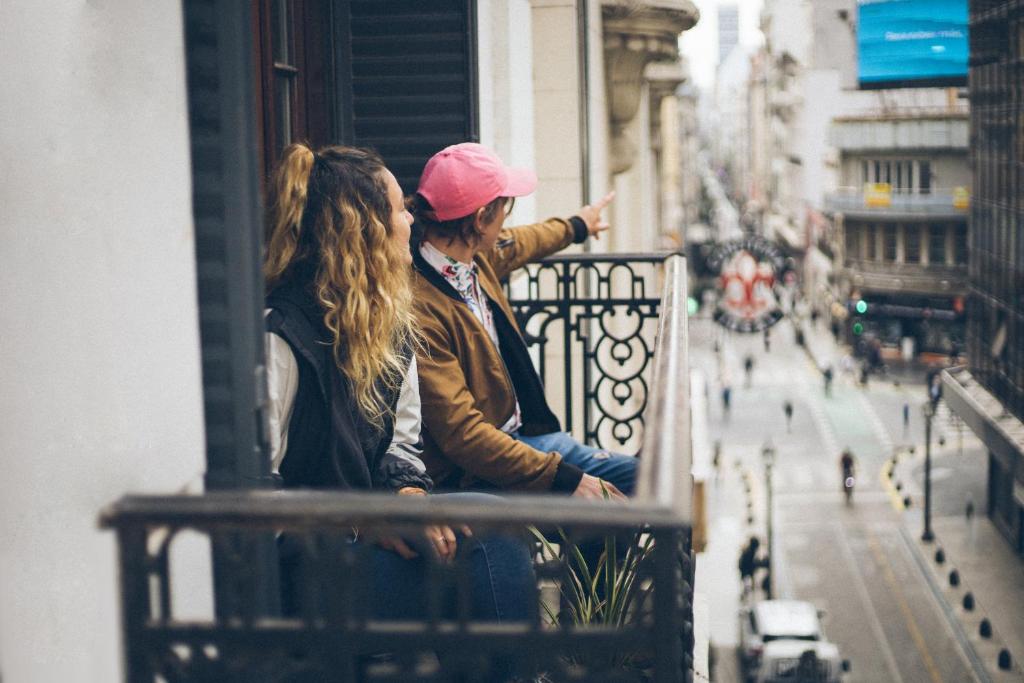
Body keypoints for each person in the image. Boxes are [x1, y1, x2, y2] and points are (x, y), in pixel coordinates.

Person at [261, 144, 535, 644]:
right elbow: (258, 493)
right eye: (399, 209)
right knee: (483, 567)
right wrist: (363, 523)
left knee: (494, 525)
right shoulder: (281, 337)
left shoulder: (388, 327)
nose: (412, 219)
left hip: (367, 537)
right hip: (304, 574)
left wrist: (408, 497)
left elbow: (398, 448)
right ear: (364, 231)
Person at [408, 143, 636, 499]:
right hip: (482, 471)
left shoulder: (472, 258)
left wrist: (577, 226)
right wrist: (564, 479)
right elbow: (464, 435)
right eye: (504, 208)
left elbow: (523, 241)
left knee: (643, 478)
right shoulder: (420, 310)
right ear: (482, 218)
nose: (507, 220)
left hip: (523, 437)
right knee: (611, 498)